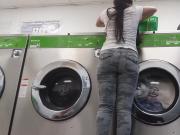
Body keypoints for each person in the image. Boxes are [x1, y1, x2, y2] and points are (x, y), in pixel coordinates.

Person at [96, 1, 157, 135]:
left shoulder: (107, 12)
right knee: (124, 109)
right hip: (129, 55)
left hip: (107, 55)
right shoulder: (135, 10)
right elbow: (154, 9)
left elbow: (97, 23)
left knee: (105, 107)